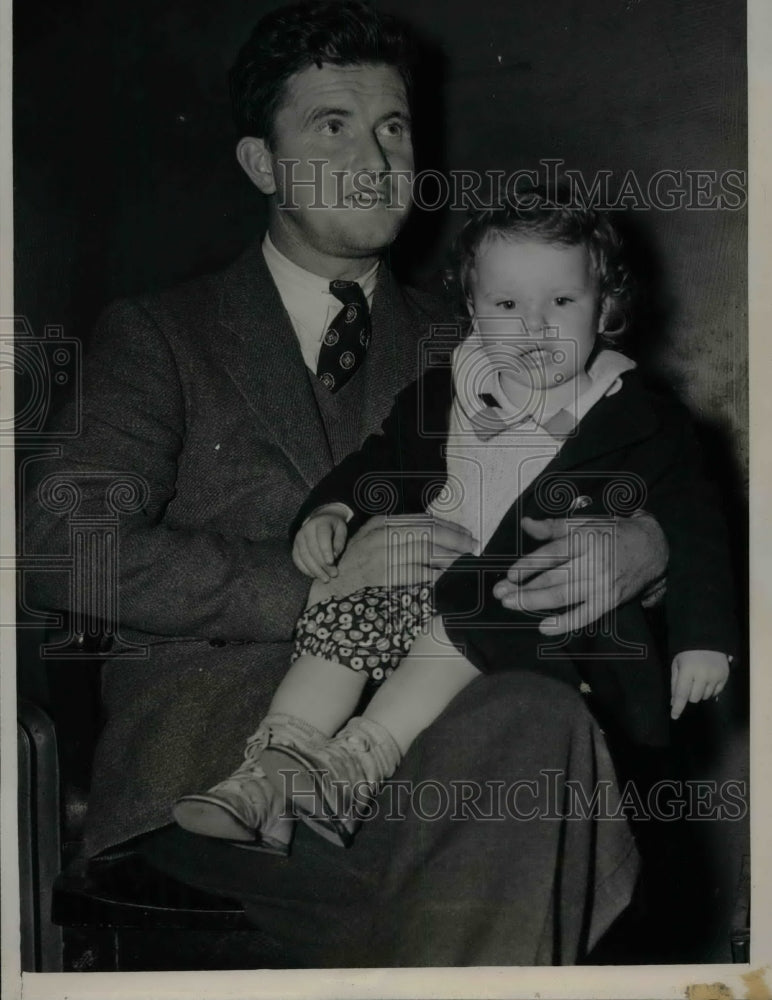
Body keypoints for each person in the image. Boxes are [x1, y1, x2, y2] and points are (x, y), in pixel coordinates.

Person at [26, 0, 672, 966]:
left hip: (438, 756)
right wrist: (322, 581)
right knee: (514, 816)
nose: (378, 158)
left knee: (532, 725)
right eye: (334, 125)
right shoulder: (159, 335)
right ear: (261, 164)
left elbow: (628, 492)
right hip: (212, 787)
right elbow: (56, 548)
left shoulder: (496, 341)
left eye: (395, 127)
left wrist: (645, 552)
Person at [171, 192, 735, 852]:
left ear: (604, 307)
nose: (534, 327)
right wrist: (332, 510)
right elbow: (381, 461)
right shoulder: (446, 393)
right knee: (345, 592)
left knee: (467, 609)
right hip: (423, 580)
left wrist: (703, 636)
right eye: (507, 306)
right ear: (471, 310)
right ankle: (272, 768)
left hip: (530, 618)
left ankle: (356, 765)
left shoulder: (635, 414)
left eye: (561, 302)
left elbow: (693, 519)